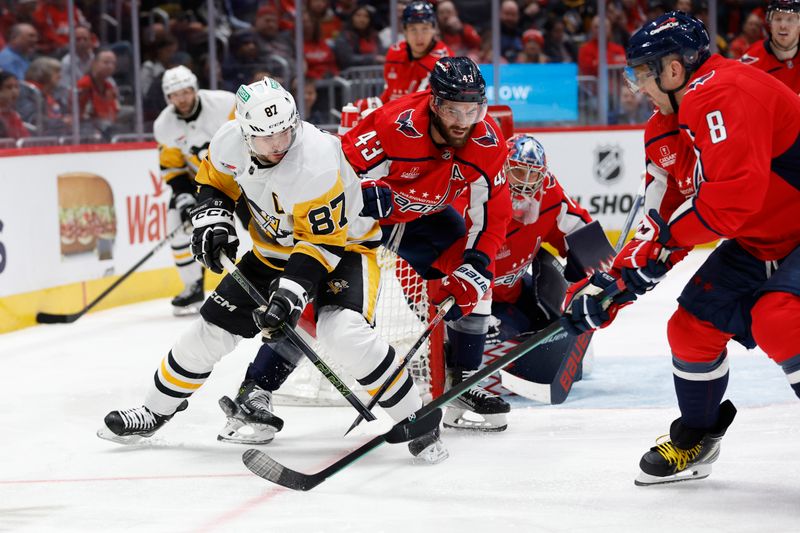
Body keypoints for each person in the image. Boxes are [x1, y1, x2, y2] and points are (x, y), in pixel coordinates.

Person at [98, 77, 448, 465]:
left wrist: (288, 298)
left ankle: (417, 415)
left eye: (285, 131)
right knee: (208, 333)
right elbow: (215, 183)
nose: (279, 144)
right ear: (246, 132)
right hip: (272, 251)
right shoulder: (228, 140)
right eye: (266, 137)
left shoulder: (314, 160)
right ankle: (154, 410)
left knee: (342, 330)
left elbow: (319, 245)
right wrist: (213, 221)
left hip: (344, 247)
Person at [562, 11, 800, 486]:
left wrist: (661, 249)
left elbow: (730, 203)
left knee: (779, 318)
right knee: (690, 330)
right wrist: (612, 286)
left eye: (641, 74)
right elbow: (659, 219)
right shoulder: (663, 130)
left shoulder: (723, 92)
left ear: (674, 70)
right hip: (761, 240)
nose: (636, 86)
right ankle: (697, 435)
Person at [234, 57, 513, 435]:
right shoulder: (391, 124)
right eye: (452, 109)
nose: (463, 120)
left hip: (421, 220)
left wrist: (476, 266)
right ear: (434, 103)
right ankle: (256, 390)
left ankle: (464, 382)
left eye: (473, 109)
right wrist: (361, 193)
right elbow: (330, 170)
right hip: (360, 222)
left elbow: (493, 216)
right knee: (322, 302)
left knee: (477, 279)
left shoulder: (487, 141)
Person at [152, 66, 237, 316]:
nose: (182, 98)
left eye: (186, 91)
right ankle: (192, 286)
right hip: (199, 182)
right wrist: (183, 195)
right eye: (175, 94)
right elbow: (171, 165)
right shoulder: (164, 125)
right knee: (175, 225)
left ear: (195, 89)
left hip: (237, 176)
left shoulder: (224, 104)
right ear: (168, 98)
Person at [380, 1, 451, 103]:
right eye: (413, 29)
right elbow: (388, 95)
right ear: (404, 31)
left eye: (425, 29)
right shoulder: (394, 53)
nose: (419, 37)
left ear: (434, 29)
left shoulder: (444, 62)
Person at [740, 0, 800, 92]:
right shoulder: (750, 61)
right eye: (778, 19)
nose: (783, 26)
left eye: (790, 19)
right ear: (769, 23)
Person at [0, 71, 28, 139]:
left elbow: (25, 139)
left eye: (16, 87)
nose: (14, 91)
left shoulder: (14, 115)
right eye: (8, 87)